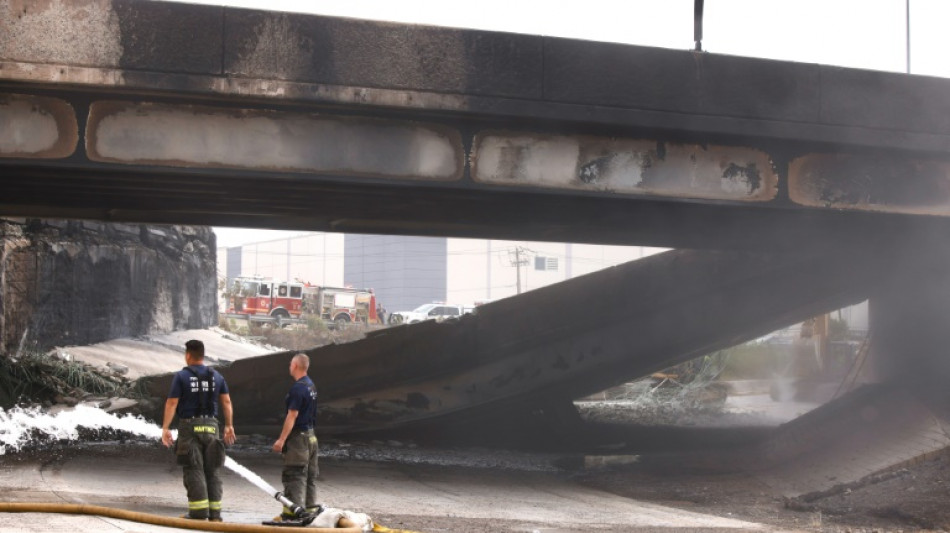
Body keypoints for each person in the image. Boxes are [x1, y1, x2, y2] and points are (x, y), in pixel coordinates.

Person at [161, 340, 236, 521]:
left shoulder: (181, 376)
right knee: (213, 469)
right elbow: (226, 401)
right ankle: (215, 514)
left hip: (190, 427)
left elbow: (172, 402)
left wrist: (165, 428)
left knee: (194, 468)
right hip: (212, 426)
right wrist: (228, 425)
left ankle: (199, 512)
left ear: (188, 355)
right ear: (202, 355)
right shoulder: (217, 376)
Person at [272, 353, 320, 520]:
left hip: (299, 439)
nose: (289, 367)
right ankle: (310, 513)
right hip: (311, 437)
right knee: (310, 477)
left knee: (294, 475)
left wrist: (281, 440)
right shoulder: (311, 385)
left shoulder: (298, 389)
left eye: (290, 364)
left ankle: (293, 515)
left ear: (295, 366)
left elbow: (292, 415)